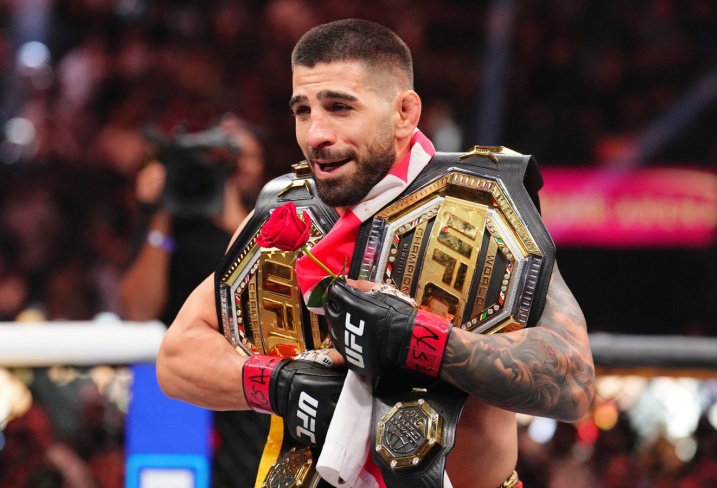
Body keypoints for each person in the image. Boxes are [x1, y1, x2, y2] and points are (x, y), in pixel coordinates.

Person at [156, 19, 595, 488]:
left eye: (340, 107)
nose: (315, 134)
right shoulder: (281, 219)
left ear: (404, 112)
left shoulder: (484, 215)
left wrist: (421, 340)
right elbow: (177, 358)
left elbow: (571, 381)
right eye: (302, 110)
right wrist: (279, 382)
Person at [119, 115, 268, 487]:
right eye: (222, 158)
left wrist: (234, 218)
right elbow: (139, 310)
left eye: (241, 157)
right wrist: (163, 212)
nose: (232, 168)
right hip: (178, 388)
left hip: (249, 392)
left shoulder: (275, 219)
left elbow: (271, 293)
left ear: (261, 166)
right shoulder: (172, 225)